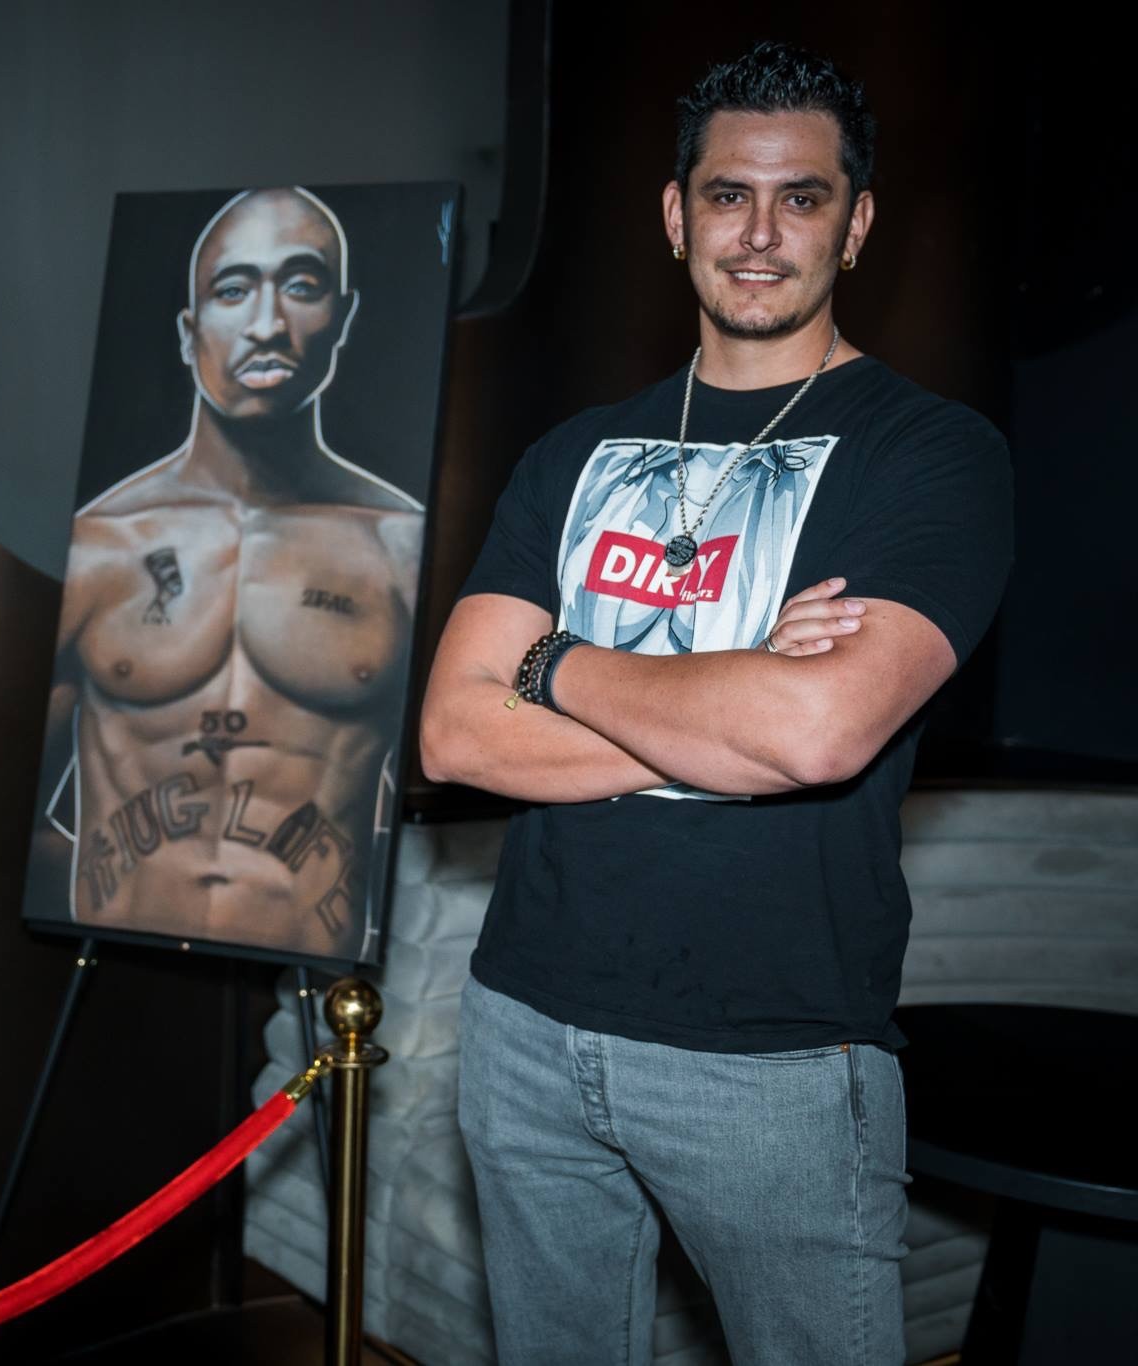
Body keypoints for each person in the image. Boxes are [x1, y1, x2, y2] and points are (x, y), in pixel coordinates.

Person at [419, 42, 1011, 1364]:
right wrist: (730, 690)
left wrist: (552, 662)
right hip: (523, 1023)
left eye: (801, 198)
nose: (758, 233)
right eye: (727, 194)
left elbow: (813, 732)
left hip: (773, 1060)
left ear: (855, 224)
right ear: (675, 215)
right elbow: (453, 730)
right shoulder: (574, 452)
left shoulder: (930, 455)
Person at [37, 187, 423, 961]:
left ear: (342, 317)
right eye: (234, 289)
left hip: (308, 973)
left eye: (302, 286)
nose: (268, 324)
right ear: (190, 333)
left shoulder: (398, 552)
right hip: (120, 967)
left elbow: (436, 816)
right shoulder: (101, 547)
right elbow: (8, 813)